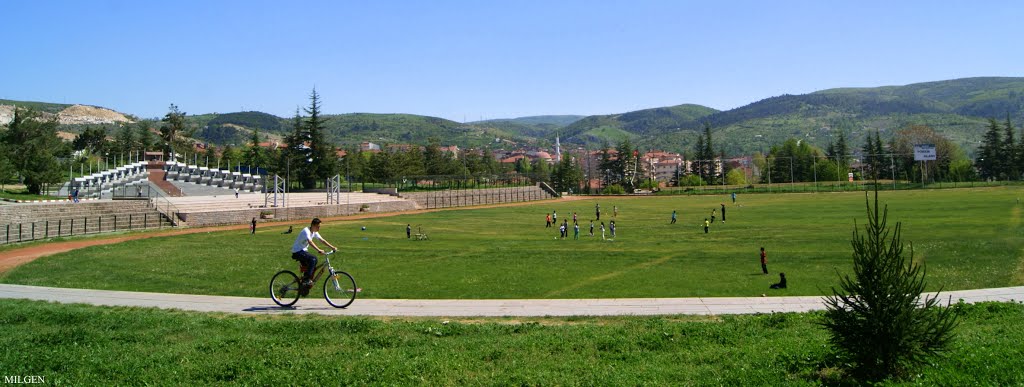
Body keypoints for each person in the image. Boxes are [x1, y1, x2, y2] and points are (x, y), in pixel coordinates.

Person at [291, 218, 338, 293]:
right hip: (297, 251)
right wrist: (318, 250)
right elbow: (310, 242)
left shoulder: (314, 232)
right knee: (313, 259)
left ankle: (304, 286)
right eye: (318, 226)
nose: (319, 228)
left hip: (303, 251)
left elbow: (322, 240)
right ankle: (307, 280)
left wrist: (332, 247)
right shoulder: (306, 231)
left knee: (312, 265)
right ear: (313, 225)